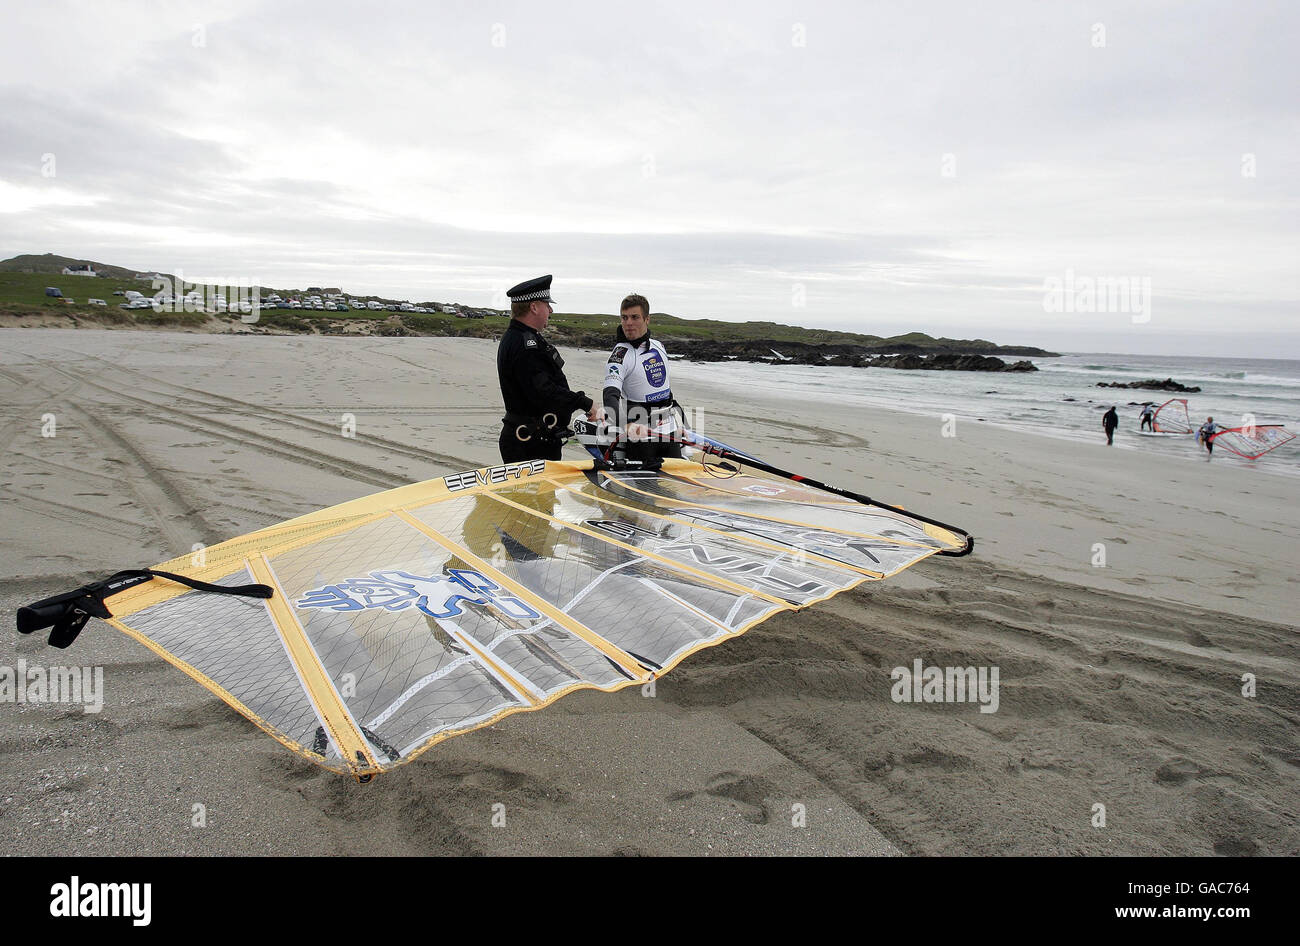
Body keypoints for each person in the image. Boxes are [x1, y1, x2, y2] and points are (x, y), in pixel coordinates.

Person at [496, 275, 597, 462]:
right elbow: (543, 390)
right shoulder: (524, 344)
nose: (550, 310)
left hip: (536, 439)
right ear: (534, 307)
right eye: (546, 304)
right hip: (530, 443)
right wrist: (584, 402)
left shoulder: (524, 337)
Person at [601, 292, 682, 462]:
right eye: (624, 318)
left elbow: (664, 389)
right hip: (641, 437)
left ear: (647, 319)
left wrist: (681, 418)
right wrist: (625, 424)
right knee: (644, 488)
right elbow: (610, 397)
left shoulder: (659, 346)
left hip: (670, 431)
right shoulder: (619, 356)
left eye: (634, 317)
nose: (628, 323)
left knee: (674, 485)